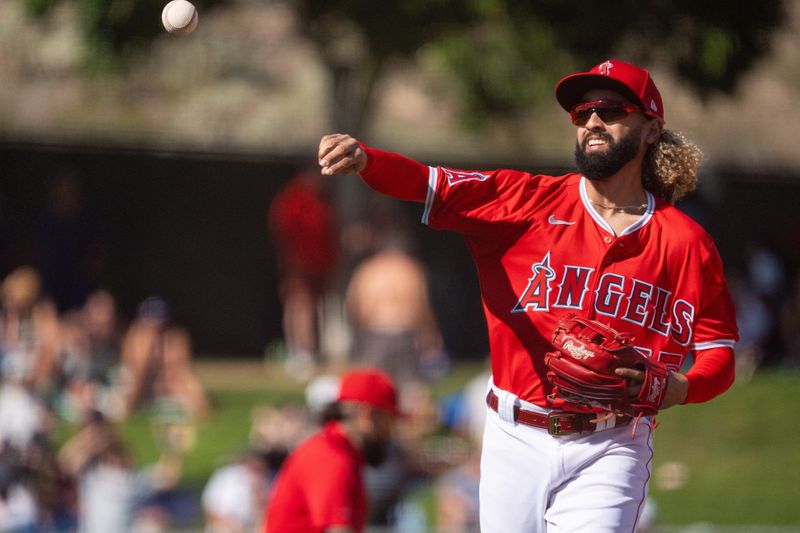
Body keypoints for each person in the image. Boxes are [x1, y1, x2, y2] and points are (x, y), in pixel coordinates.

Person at [317, 59, 738, 532]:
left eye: (610, 109)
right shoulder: (524, 200)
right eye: (581, 114)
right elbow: (427, 181)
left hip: (613, 442)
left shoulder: (685, 243)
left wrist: (679, 388)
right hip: (513, 435)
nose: (592, 121)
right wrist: (368, 160)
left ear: (651, 129)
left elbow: (718, 352)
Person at [262, 368, 401, 533]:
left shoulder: (339, 452)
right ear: (367, 415)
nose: (391, 431)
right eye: (389, 419)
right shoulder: (332, 458)